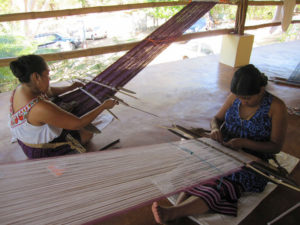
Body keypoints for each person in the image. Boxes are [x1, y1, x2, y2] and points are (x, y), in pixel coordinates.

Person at [152, 64, 288, 224]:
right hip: (224, 148)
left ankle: (174, 212)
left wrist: (245, 143)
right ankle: (178, 210)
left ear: (261, 89)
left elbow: (275, 146)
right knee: (198, 172)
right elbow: (216, 119)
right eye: (240, 97)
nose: (243, 101)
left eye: (248, 98)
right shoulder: (235, 97)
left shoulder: (276, 107)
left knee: (223, 183)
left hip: (251, 160)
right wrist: (215, 129)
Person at [9, 54, 118, 159]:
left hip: (24, 141)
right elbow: (77, 124)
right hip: (40, 150)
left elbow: (49, 92)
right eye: (47, 74)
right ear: (36, 76)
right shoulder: (40, 107)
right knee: (88, 134)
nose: (49, 78)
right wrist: (103, 106)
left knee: (65, 113)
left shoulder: (21, 89)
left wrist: (70, 88)